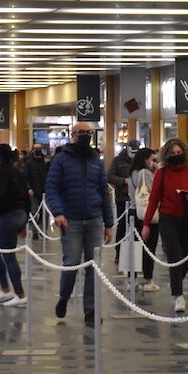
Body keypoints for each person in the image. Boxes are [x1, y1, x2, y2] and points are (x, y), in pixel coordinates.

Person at [44, 123, 115, 325]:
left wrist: (108, 223)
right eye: (80, 133)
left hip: (94, 219)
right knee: (72, 263)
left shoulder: (95, 161)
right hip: (71, 220)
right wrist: (58, 212)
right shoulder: (61, 160)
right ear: (72, 135)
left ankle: (91, 311)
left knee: (94, 266)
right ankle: (64, 297)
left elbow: (104, 191)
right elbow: (51, 187)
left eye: (87, 133)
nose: (84, 136)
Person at [141, 137, 188, 314]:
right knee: (174, 256)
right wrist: (146, 224)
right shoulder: (162, 173)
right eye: (173, 153)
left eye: (179, 153)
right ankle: (178, 295)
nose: (176, 155)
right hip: (168, 218)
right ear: (167, 155)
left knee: (186, 256)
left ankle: (176, 282)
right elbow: (154, 199)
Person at [0, 143, 30, 308]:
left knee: (9, 256)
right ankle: (5, 290)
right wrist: (24, 223)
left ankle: (20, 294)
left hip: (8, 216)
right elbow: (27, 195)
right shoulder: (18, 172)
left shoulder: (0, 173)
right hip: (20, 214)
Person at [128, 147, 162, 293]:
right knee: (149, 247)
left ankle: (132, 280)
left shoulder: (132, 173)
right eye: (151, 159)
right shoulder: (145, 173)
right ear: (145, 159)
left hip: (133, 211)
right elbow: (154, 191)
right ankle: (148, 279)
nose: (153, 162)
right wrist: (157, 171)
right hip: (147, 214)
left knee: (134, 247)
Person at [23, 142, 49, 235]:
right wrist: (29, 188)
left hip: (44, 191)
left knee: (45, 212)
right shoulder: (29, 163)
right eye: (36, 148)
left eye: (40, 148)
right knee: (33, 211)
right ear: (33, 150)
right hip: (33, 191)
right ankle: (34, 231)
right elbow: (25, 177)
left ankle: (43, 230)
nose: (38, 150)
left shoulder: (45, 162)